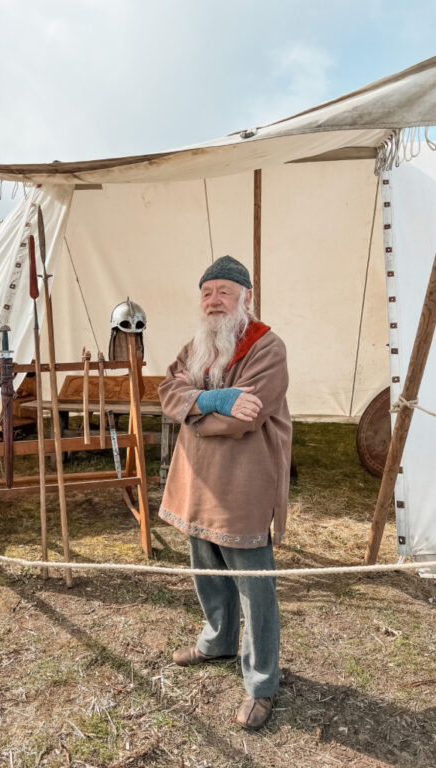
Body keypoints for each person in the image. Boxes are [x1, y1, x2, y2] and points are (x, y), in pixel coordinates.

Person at [158, 255, 292, 730]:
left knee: (255, 587)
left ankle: (261, 683)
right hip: (196, 479)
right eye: (207, 292)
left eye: (224, 292)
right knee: (205, 568)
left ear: (246, 299)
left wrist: (193, 411)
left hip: (242, 483)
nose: (214, 301)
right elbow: (166, 390)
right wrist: (212, 399)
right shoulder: (196, 345)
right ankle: (217, 640)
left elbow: (248, 418)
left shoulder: (266, 347)